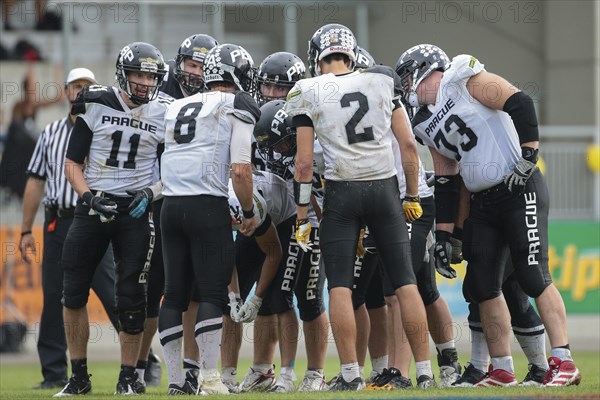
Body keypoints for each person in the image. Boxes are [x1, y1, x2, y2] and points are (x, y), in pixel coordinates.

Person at [396, 43, 581, 387]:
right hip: (482, 200)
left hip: (518, 185)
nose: (407, 87)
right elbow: (448, 177)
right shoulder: (423, 122)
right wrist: (447, 234)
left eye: (408, 78)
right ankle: (501, 368)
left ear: (427, 69)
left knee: (532, 274)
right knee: (481, 285)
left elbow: (518, 101)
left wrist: (529, 153)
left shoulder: (461, 77)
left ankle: (564, 360)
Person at [285, 23, 434, 390]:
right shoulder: (381, 80)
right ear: (352, 53)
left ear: (316, 56)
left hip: (341, 194)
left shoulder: (307, 90)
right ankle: (426, 371)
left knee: (339, 287)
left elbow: (303, 166)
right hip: (384, 190)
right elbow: (409, 147)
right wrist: (412, 196)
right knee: (405, 282)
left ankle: (350, 372)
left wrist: (303, 216)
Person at [54, 42, 169, 396]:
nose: (145, 82)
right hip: (94, 205)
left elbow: (176, 170)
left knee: (132, 296)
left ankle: (128, 377)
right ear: (123, 73)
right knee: (72, 291)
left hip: (136, 209)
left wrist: (151, 193)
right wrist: (88, 196)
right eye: (139, 74)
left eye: (151, 76)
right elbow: (72, 163)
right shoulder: (96, 102)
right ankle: (79, 377)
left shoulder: (166, 111)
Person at [158, 43, 259, 395]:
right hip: (207, 205)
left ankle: (175, 382)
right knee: (213, 295)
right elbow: (241, 171)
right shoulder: (238, 105)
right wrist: (248, 212)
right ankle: (211, 378)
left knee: (173, 297)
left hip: (170, 207)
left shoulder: (177, 105)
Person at [18, 68, 119, 391]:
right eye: (76, 86)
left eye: (87, 86)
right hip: (57, 220)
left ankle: (142, 361)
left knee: (112, 293)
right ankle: (54, 373)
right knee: (54, 296)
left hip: (94, 218)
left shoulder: (105, 130)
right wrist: (24, 231)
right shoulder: (49, 134)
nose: (81, 91)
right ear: (65, 92)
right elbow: (36, 181)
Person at [133, 33, 219, 392]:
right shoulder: (158, 94)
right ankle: (136, 366)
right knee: (152, 291)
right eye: (190, 63)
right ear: (178, 63)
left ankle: (189, 368)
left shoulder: (215, 98)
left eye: (202, 66)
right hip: (158, 200)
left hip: (189, 197)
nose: (195, 72)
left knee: (193, 291)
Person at [234, 101, 329, 393]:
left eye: (285, 142)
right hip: (284, 223)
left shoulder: (318, 149)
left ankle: (314, 374)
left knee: (310, 300)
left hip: (313, 224)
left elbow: (321, 201)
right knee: (278, 299)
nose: (281, 149)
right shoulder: (267, 144)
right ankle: (267, 371)